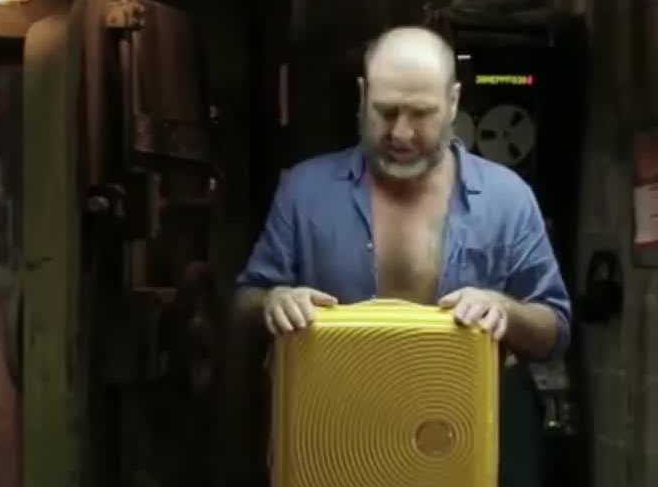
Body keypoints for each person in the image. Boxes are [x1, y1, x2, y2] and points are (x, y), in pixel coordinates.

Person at [234, 26, 571, 362]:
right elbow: (242, 308)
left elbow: (554, 332)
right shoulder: (304, 191)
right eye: (386, 111)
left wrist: (504, 311)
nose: (401, 133)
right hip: (329, 398)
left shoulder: (508, 199)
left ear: (453, 102)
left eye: (421, 114)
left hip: (455, 399)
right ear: (363, 95)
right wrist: (272, 303)